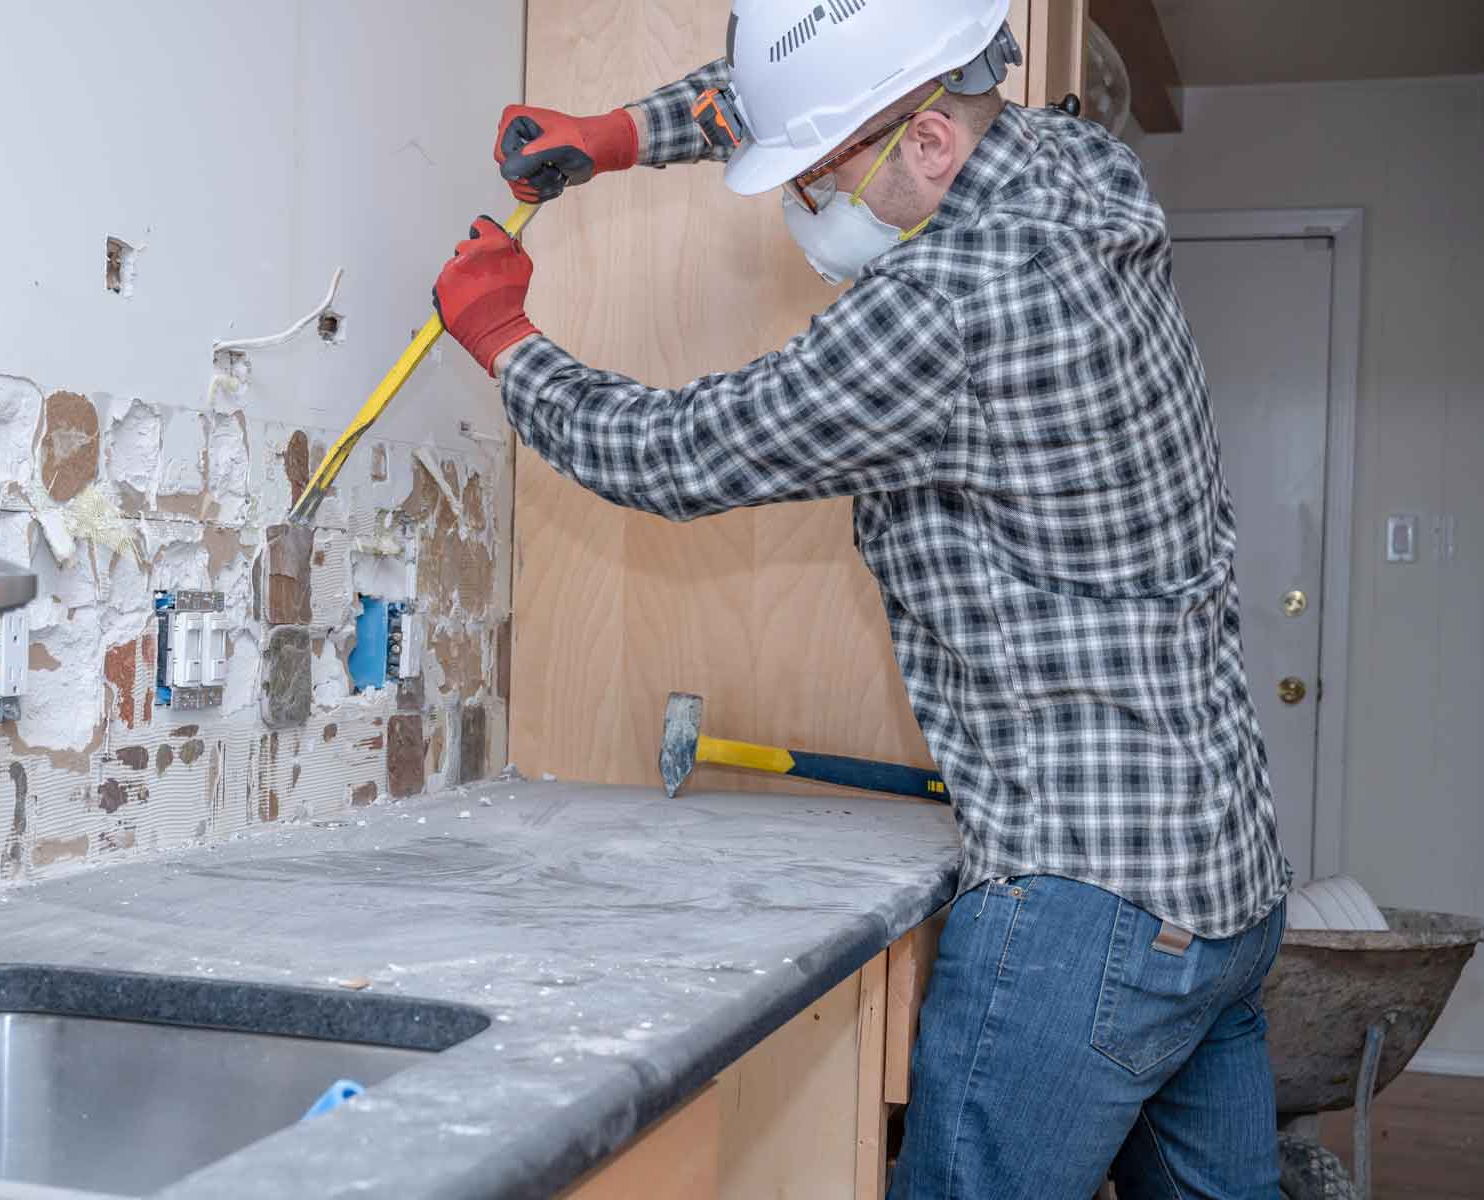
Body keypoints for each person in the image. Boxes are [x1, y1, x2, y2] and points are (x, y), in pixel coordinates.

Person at [432, 1, 1292, 1194]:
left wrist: (505, 338)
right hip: (1227, 887)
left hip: (1082, 911)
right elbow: (823, 90)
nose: (807, 204)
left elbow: (682, 452)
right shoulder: (1073, 160)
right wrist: (623, 133)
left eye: (825, 176)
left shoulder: (947, 309)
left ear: (930, 146)